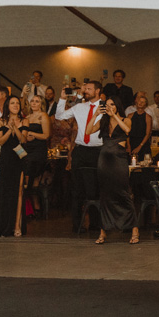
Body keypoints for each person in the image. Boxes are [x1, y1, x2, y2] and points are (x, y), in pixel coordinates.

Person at [85, 96, 139, 245]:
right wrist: (96, 114)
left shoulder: (126, 119)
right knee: (105, 195)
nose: (109, 107)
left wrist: (114, 116)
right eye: (107, 105)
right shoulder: (103, 121)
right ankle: (103, 232)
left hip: (118, 161)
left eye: (112, 105)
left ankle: (134, 230)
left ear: (117, 106)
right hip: (104, 162)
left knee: (124, 194)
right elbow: (88, 131)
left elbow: (127, 130)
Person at [55, 80, 104, 233]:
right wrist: (62, 98)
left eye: (89, 89)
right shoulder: (79, 107)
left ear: (97, 91)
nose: (85, 91)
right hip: (80, 150)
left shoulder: (105, 107)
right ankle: (77, 225)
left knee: (96, 189)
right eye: (85, 89)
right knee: (76, 188)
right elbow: (59, 116)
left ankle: (96, 224)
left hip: (98, 151)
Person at [0, 95, 27, 237]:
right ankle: (4, 225)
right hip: (6, 157)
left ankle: (17, 225)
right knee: (5, 190)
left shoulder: (24, 120)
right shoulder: (0, 121)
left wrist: (16, 128)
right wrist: (9, 129)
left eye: (17, 103)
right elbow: (1, 141)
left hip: (19, 157)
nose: (15, 105)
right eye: (12, 103)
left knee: (18, 190)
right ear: (7, 105)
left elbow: (23, 140)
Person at [22, 95, 51, 214]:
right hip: (27, 149)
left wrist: (32, 134)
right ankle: (30, 207)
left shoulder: (43, 115)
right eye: (32, 101)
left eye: (37, 101)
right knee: (26, 176)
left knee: (32, 176)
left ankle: (35, 206)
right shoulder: (27, 117)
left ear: (41, 104)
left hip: (38, 150)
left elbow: (46, 135)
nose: (34, 103)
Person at [125, 91, 154, 160]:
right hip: (132, 142)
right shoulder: (130, 116)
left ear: (145, 105)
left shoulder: (148, 117)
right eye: (139, 101)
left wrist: (140, 146)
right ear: (136, 102)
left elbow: (148, 134)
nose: (140, 103)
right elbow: (126, 132)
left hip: (143, 143)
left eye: (142, 102)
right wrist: (128, 145)